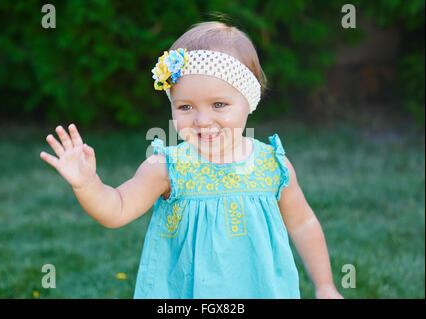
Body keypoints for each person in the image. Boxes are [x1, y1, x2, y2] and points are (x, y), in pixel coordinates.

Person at [39, 21, 343, 299]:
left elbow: (303, 223)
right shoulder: (165, 168)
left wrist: (325, 285)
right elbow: (116, 209)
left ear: (248, 102)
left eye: (219, 104)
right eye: (185, 107)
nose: (202, 119)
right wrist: (88, 184)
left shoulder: (272, 166)